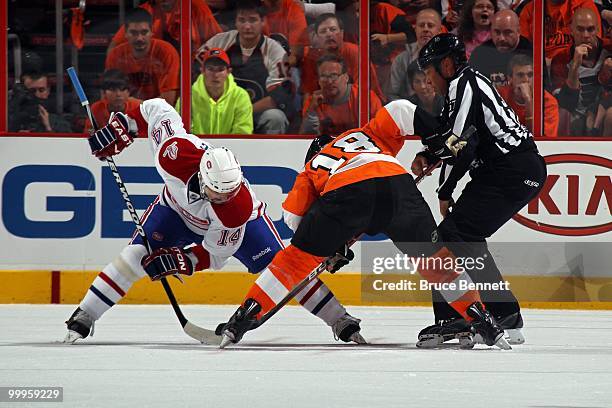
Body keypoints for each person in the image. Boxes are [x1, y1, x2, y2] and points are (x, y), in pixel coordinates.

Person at [217, 102, 514, 349]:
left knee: (292, 262)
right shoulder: (367, 135)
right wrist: (436, 137)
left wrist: (332, 243)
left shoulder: (311, 169)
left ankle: (243, 317)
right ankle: (482, 319)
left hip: (345, 193)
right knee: (436, 262)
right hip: (397, 184)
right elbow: (400, 110)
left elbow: (295, 223)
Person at [64, 97, 361, 343]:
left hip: (245, 228)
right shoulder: (175, 152)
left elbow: (216, 254)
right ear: (204, 177)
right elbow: (155, 108)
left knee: (285, 270)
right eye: (218, 194)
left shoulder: (236, 208)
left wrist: (183, 261)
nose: (224, 199)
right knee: (134, 257)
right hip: (174, 210)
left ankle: (340, 320)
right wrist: (123, 126)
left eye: (229, 193)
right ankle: (84, 316)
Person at [412, 33, 547, 347]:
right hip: (511, 170)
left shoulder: (465, 84)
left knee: (449, 236)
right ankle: (505, 315)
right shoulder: (463, 88)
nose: (428, 80)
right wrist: (428, 156)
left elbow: (461, 147)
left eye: (429, 71)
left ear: (446, 65)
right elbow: (454, 141)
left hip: (511, 170)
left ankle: (455, 318)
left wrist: (444, 192)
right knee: (463, 236)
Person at [200, 0, 293, 134]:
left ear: (263, 22)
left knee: (275, 117)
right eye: (242, 20)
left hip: (256, 112)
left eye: (253, 20)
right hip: (219, 109)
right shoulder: (219, 41)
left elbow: (279, 95)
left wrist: (243, 111)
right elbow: (196, 71)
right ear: (236, 22)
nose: (247, 26)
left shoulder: (275, 50)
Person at [550, 7, 610, 135]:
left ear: (598, 29)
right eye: (580, 29)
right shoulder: (561, 59)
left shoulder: (609, 49)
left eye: (590, 29)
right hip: (574, 121)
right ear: (571, 30)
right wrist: (575, 66)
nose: (585, 35)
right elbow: (566, 105)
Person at [301, 13, 385, 102]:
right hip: (330, 106)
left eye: (333, 29)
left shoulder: (356, 53)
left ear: (342, 33)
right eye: (323, 31)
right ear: (317, 37)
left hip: (366, 105)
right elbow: (309, 93)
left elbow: (362, 92)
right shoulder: (311, 58)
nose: (329, 34)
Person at [105, 9, 180, 105]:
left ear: (152, 32)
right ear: (125, 34)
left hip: (158, 115)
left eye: (144, 32)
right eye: (134, 33)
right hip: (126, 113)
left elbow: (168, 101)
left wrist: (135, 106)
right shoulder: (115, 56)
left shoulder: (167, 52)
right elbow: (109, 98)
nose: (139, 38)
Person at [300, 55, 383, 136]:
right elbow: (306, 138)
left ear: (346, 77)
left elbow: (379, 132)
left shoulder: (366, 98)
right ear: (318, 81)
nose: (329, 81)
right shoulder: (314, 101)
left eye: (334, 76)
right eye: (324, 76)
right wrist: (312, 110)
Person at [176, 48, 253, 134]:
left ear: (228, 72)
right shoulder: (187, 97)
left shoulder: (241, 96)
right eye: (210, 69)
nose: (215, 75)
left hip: (231, 147)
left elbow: (242, 133)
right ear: (202, 71)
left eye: (220, 69)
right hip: (196, 147)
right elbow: (181, 132)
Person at [109, 0, 222, 52]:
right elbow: (114, 48)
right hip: (157, 77)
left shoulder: (195, 5)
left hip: (192, 74)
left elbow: (219, 42)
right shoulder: (146, 11)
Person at [469, 9, 533, 89]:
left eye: (507, 32)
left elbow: (542, 90)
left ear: (518, 31)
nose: (502, 38)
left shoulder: (532, 53)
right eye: (497, 32)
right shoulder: (480, 54)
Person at [388, 9, 443, 101]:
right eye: (421, 25)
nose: (425, 29)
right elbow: (393, 94)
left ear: (440, 30)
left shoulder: (449, 59)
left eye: (430, 25)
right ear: (415, 29)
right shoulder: (401, 60)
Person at [498, 55, 559, 136]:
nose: (526, 80)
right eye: (520, 75)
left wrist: (528, 100)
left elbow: (540, 140)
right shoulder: (500, 96)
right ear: (510, 78)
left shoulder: (548, 102)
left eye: (530, 75)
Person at [519, 0, 601, 61]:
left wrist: (556, 62)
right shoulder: (529, 11)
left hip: (576, 67)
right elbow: (523, 56)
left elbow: (593, 49)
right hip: (541, 74)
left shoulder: (584, 5)